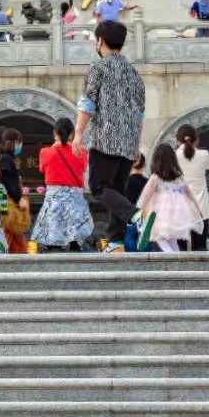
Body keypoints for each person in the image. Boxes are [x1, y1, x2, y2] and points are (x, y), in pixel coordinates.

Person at [74, 18, 145, 248]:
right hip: (127, 144)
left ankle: (135, 215)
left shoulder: (98, 67)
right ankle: (116, 241)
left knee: (98, 187)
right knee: (116, 191)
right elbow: (140, 114)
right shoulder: (134, 74)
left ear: (100, 41)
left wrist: (77, 134)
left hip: (105, 140)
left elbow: (88, 103)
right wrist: (136, 145)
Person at [31, 118, 93, 251]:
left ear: (55, 133)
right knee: (75, 236)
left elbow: (42, 169)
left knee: (53, 233)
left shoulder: (45, 152)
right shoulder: (82, 152)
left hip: (55, 197)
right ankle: (75, 247)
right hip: (75, 197)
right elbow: (83, 168)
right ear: (72, 134)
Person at [137, 143, 204, 253]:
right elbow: (190, 194)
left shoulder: (156, 177)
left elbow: (145, 195)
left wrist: (137, 210)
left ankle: (171, 257)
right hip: (179, 212)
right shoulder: (178, 177)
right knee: (172, 239)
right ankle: (177, 260)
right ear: (173, 159)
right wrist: (199, 210)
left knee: (160, 237)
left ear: (156, 160)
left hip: (161, 213)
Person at [0, 127, 30, 252]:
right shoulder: (6, 159)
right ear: (13, 143)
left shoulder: (2, 158)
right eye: (19, 142)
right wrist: (19, 198)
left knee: (16, 238)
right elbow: (8, 181)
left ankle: (20, 260)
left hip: (6, 203)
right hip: (9, 204)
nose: (20, 146)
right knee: (8, 234)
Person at [175, 124, 209, 250]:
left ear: (178, 140)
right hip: (201, 207)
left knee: (181, 250)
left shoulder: (173, 156)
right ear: (196, 139)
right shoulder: (204, 154)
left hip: (180, 208)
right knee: (200, 248)